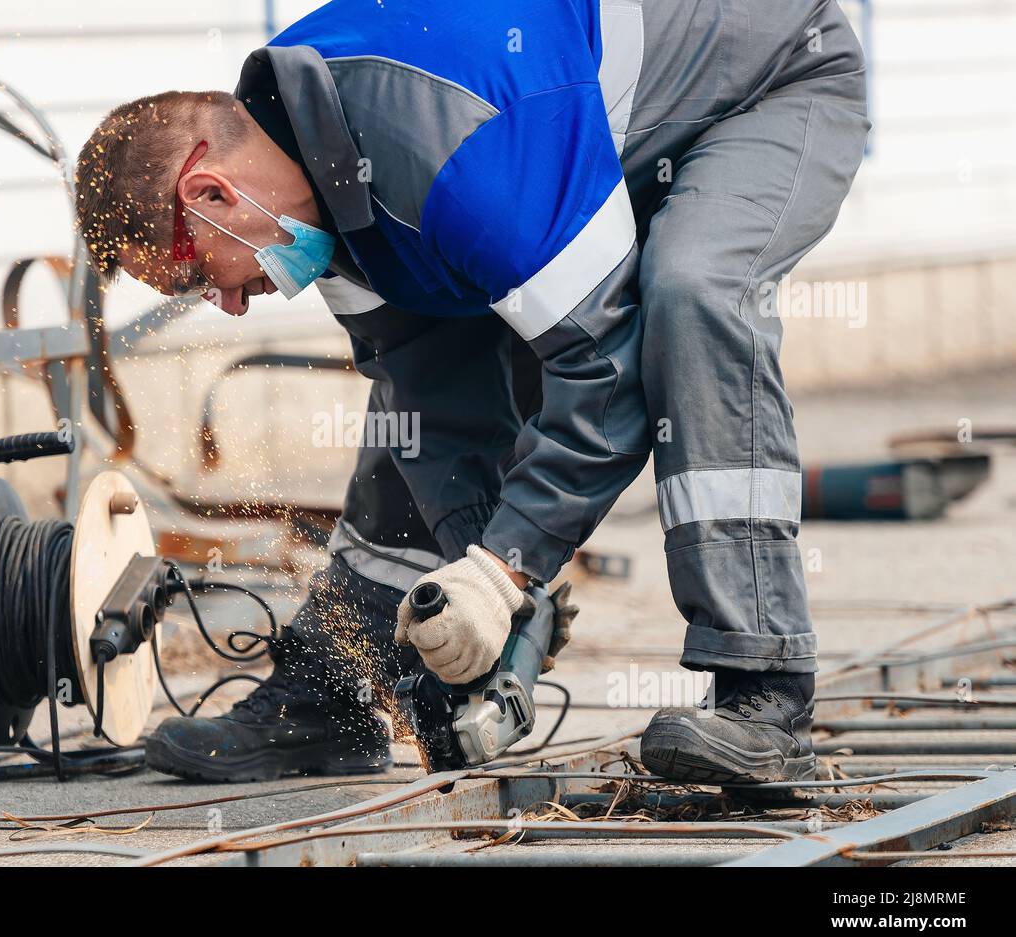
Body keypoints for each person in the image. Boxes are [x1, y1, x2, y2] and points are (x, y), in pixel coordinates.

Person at [75, 0, 870, 784]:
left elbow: (610, 374)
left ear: (212, 193)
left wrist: (505, 571)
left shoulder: (459, 151)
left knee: (693, 293)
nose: (230, 304)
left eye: (193, 276)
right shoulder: (315, 179)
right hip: (577, 139)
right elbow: (433, 398)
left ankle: (763, 690)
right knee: (409, 418)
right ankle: (333, 691)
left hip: (769, 84)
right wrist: (464, 599)